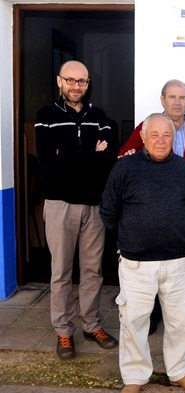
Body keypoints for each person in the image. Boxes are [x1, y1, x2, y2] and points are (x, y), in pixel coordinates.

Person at [100, 113, 185, 393]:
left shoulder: (184, 169)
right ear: (143, 137)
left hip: (178, 260)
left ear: (174, 138)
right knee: (134, 320)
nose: (161, 140)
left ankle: (181, 371)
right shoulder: (125, 169)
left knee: (181, 320)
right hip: (136, 262)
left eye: (167, 135)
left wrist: (184, 236)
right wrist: (129, 238)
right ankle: (135, 376)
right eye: (155, 135)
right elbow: (108, 211)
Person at [34, 60, 118, 359]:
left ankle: (91, 324)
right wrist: (89, 156)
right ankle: (63, 331)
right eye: (70, 80)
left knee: (93, 270)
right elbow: (48, 163)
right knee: (61, 272)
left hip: (94, 206)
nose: (76, 86)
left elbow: (109, 159)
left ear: (88, 83)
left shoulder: (100, 116)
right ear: (60, 81)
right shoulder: (45, 116)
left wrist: (69, 156)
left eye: (81, 81)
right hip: (60, 205)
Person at [118, 79, 185, 334]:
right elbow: (126, 154)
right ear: (162, 100)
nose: (177, 102)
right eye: (171, 97)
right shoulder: (148, 126)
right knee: (152, 268)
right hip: (152, 216)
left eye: (182, 97)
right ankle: (152, 315)